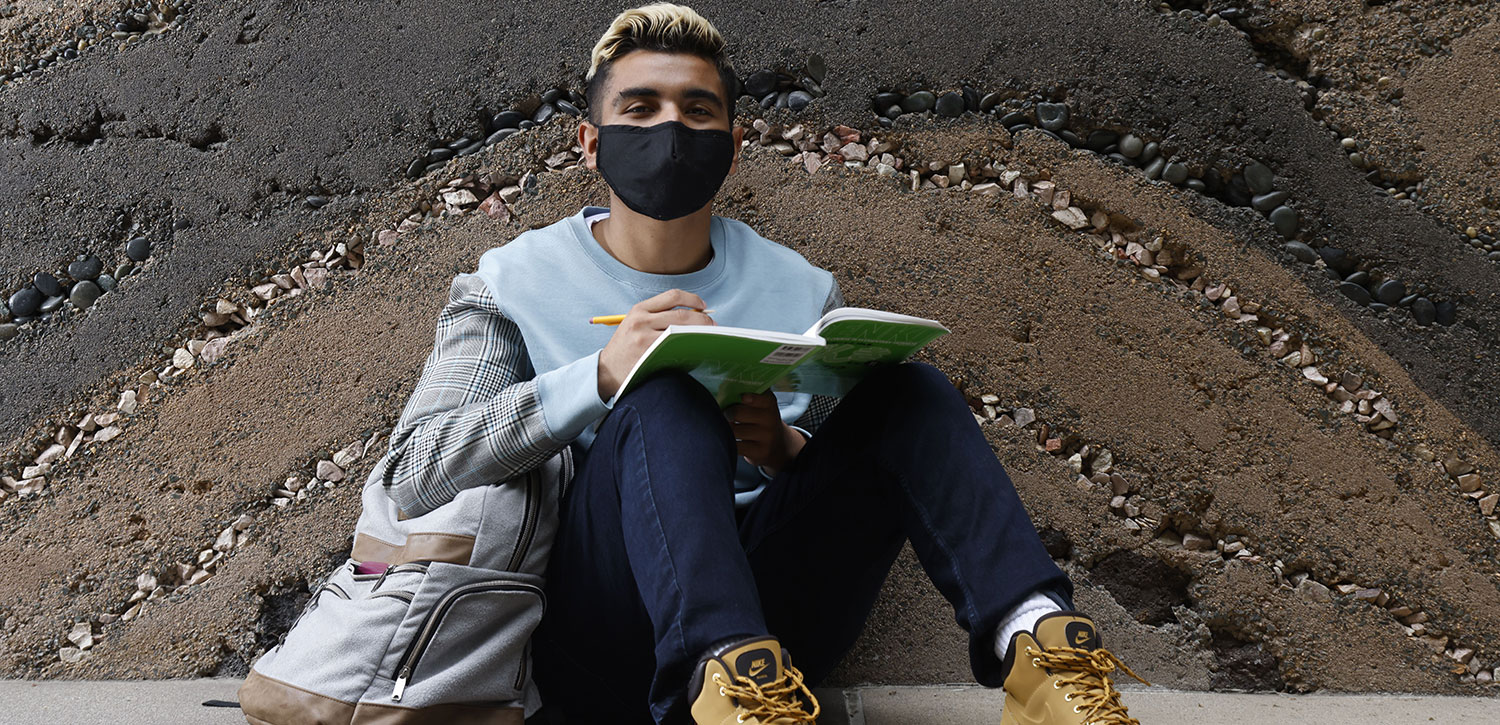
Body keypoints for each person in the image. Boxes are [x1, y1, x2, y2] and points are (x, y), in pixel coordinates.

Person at [381, 3, 1149, 723]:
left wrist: (783, 451)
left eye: (697, 110)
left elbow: (839, 470)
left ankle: (1042, 655)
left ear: (733, 143)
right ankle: (718, 672)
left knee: (909, 390)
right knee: (665, 394)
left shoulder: (800, 287)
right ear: (590, 144)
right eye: (641, 109)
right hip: (602, 631)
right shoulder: (510, 281)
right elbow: (411, 472)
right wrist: (599, 377)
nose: (671, 129)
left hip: (781, 629)